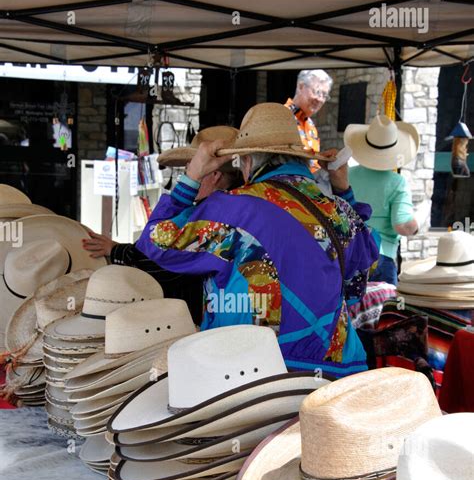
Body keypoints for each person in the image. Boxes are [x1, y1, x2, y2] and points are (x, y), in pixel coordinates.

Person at [135, 103, 379, 378]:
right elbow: (358, 280)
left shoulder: (231, 210)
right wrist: (343, 190)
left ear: (248, 161)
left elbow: (155, 242)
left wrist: (192, 175)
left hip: (253, 372)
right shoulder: (337, 209)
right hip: (335, 371)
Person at [82, 126, 241, 325]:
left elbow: (157, 258)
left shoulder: (208, 217)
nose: (186, 173)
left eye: (191, 167)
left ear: (214, 174)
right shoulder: (240, 207)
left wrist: (117, 251)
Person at [344, 114, 420, 286]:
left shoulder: (347, 175)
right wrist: (417, 225)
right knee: (383, 311)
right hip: (380, 256)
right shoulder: (397, 183)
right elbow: (402, 225)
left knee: (351, 311)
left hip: (349, 256)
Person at [284, 69, 333, 175]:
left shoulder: (310, 125)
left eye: (324, 95)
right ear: (301, 86)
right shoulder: (282, 117)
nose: (320, 99)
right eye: (317, 92)